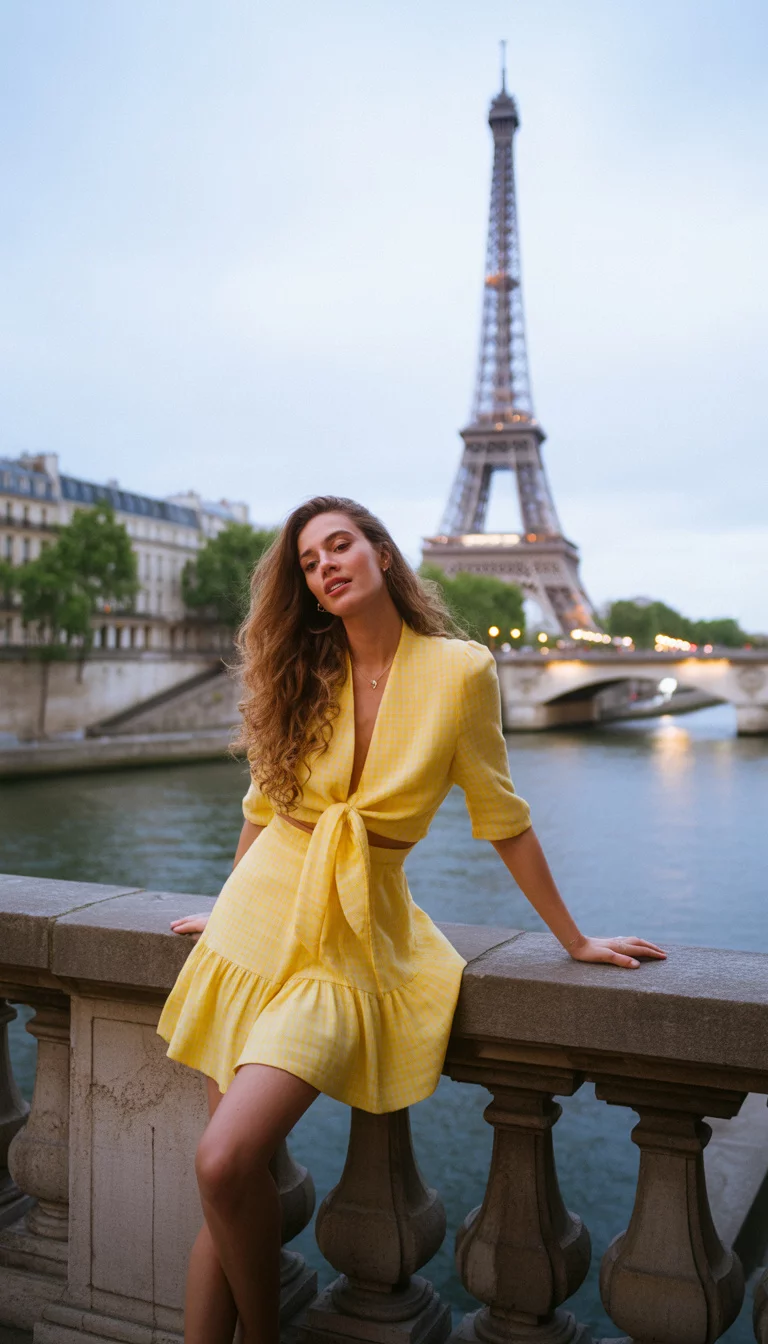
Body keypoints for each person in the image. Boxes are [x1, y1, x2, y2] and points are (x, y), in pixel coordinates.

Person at [157, 495, 665, 1344]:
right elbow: (263, 804)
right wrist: (222, 901)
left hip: (351, 933)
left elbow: (502, 815)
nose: (326, 566)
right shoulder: (302, 672)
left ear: (383, 553)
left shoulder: (460, 671)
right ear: (310, 590)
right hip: (255, 917)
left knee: (222, 1161)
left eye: (340, 545)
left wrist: (573, 940)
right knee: (228, 1182)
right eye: (310, 563)